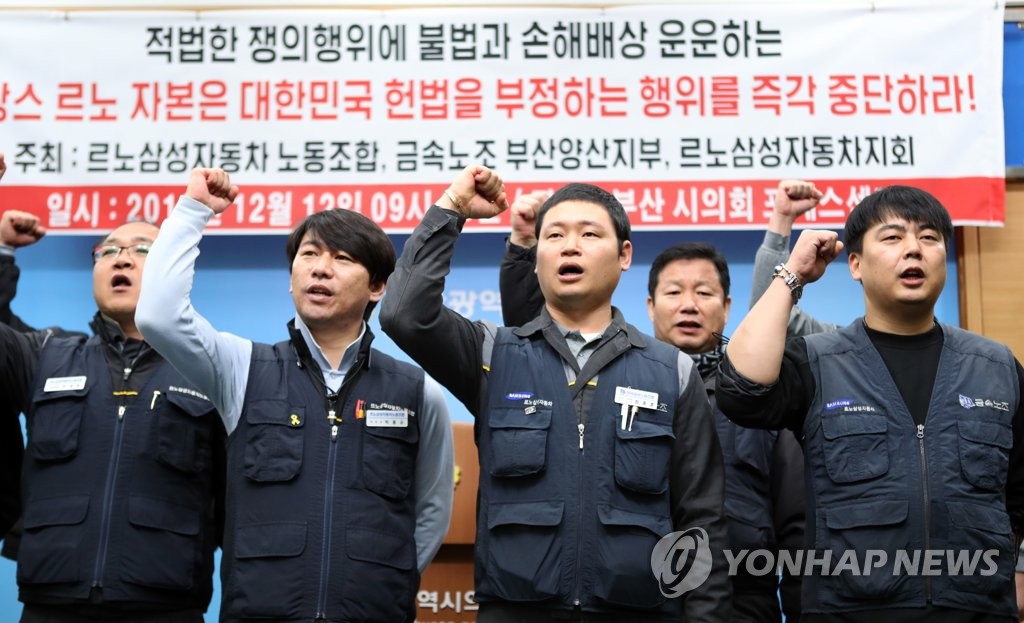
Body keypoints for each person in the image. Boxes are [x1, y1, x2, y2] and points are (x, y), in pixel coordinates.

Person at [380, 165, 731, 622]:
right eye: (555, 235)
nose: (570, 246)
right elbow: (404, 314)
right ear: (536, 257)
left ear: (624, 254)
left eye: (589, 234)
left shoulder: (671, 372)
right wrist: (453, 207)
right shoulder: (493, 354)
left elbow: (702, 521)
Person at [135, 168, 454, 622]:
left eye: (343, 258)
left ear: (377, 287)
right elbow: (158, 316)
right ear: (290, 278)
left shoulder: (417, 390)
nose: (321, 268)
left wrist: (384, 583)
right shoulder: (242, 367)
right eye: (309, 254)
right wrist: (193, 211)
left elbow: (431, 513)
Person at [497, 181, 821, 622]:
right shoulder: (606, 380)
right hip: (636, 597)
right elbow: (536, 343)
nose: (689, 305)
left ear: (727, 307)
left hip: (743, 599)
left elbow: (798, 525)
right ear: (650, 306)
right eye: (673, 293)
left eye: (704, 293)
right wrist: (522, 247)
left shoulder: (760, 397)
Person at [716, 185, 1024, 621]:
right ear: (855, 264)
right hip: (848, 609)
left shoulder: (995, 366)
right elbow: (741, 391)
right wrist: (793, 274)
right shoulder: (818, 360)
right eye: (893, 237)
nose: (913, 249)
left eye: (929, 237)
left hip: (977, 609)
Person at [0, 203, 225, 619]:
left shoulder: (214, 368)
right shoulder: (45, 354)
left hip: (166, 604)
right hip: (52, 603)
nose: (121, 259)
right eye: (107, 251)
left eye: (142, 249)